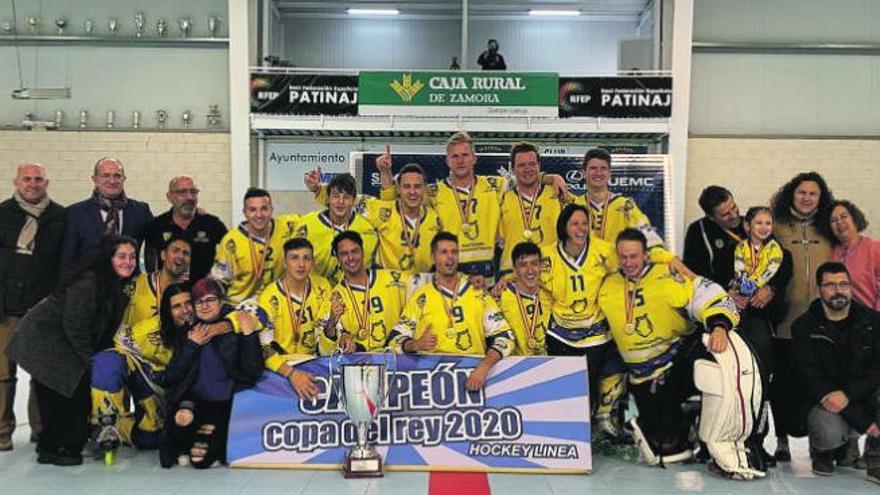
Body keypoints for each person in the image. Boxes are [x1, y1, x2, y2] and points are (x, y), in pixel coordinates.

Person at [598, 229, 763, 478]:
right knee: (665, 446)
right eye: (623, 257)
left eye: (634, 256)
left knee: (712, 369)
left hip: (675, 363)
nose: (628, 262)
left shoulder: (670, 274)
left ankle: (714, 428)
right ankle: (684, 418)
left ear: (647, 255)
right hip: (640, 376)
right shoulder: (607, 284)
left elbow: (714, 294)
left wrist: (719, 326)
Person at [6, 235, 138, 466]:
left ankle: (66, 442)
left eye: (132, 257)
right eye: (121, 256)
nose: (128, 261)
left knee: (71, 392)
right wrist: (91, 360)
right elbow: (75, 326)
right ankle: (53, 448)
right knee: (63, 391)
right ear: (108, 258)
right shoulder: (89, 282)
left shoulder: (113, 284)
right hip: (44, 340)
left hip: (62, 340)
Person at [378, 132, 566, 289]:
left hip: (488, 279)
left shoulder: (495, 185)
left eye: (465, 155)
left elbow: (526, 177)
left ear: (474, 158)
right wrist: (385, 173)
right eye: (455, 156)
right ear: (447, 161)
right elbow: (395, 200)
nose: (460, 160)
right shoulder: (435, 192)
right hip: (451, 276)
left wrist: (552, 178)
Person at [389, 232, 514, 390]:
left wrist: (484, 367)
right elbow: (393, 341)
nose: (450, 257)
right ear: (434, 257)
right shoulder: (421, 296)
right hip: (430, 383)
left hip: (473, 379)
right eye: (444, 252)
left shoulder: (477, 293)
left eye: (454, 252)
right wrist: (414, 344)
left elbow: (505, 337)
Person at [159, 278, 263, 469]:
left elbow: (253, 371)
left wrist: (249, 337)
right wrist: (192, 345)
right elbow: (173, 375)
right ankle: (188, 443)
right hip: (196, 399)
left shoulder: (236, 327)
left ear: (221, 302)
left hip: (225, 403)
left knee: (200, 461)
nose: (205, 306)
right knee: (182, 416)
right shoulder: (189, 331)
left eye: (210, 300)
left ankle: (206, 439)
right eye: (199, 302)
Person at [790, 262, 880, 482]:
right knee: (828, 431)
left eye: (843, 284)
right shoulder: (803, 327)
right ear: (819, 289)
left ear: (851, 287)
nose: (838, 290)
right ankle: (823, 451)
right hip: (825, 399)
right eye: (830, 285)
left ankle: (875, 455)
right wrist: (864, 422)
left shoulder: (873, 322)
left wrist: (848, 397)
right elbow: (810, 376)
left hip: (859, 395)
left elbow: (877, 369)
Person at [539, 203, 625, 429]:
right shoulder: (545, 254)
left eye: (585, 223)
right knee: (567, 390)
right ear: (563, 227)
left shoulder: (605, 251)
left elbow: (630, 269)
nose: (581, 228)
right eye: (575, 223)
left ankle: (599, 428)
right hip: (559, 334)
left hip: (595, 333)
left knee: (591, 386)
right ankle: (570, 433)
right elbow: (527, 280)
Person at [770, 171, 835, 461]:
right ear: (791, 194)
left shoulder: (829, 228)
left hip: (823, 323)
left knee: (819, 383)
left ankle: (819, 443)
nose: (807, 198)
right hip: (785, 321)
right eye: (801, 192)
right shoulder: (776, 225)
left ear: (821, 198)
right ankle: (781, 439)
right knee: (783, 383)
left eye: (813, 193)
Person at [0, 162, 64, 450]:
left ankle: (42, 429)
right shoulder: (2, 214)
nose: (33, 183)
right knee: (3, 376)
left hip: (43, 310)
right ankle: (2, 431)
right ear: (16, 182)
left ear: (46, 183)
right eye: (27, 179)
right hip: (7, 310)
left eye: (38, 179)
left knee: (41, 375)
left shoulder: (60, 217)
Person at [90, 283, 193, 453]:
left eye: (188, 303)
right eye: (177, 306)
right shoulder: (151, 328)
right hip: (155, 381)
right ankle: (106, 422)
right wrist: (147, 370)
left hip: (183, 395)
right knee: (107, 361)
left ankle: (123, 427)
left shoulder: (206, 324)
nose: (185, 310)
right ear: (167, 311)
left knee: (153, 439)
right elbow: (118, 346)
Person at [727, 206, 792, 466]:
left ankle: (757, 440)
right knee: (736, 380)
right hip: (737, 319)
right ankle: (732, 439)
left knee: (761, 382)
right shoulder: (734, 252)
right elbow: (723, 280)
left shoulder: (781, 254)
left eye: (768, 223)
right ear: (747, 226)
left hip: (764, 322)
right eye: (759, 223)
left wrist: (768, 290)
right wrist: (732, 292)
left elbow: (781, 284)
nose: (764, 227)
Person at [307, 158, 442, 274]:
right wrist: (317, 190)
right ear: (399, 189)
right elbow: (345, 202)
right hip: (388, 283)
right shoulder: (380, 210)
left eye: (417, 186)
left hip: (425, 282)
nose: (412, 192)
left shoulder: (436, 218)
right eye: (407, 186)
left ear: (425, 189)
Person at [575, 148, 692, 278]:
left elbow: (650, 239)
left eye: (603, 168)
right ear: (583, 173)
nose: (598, 172)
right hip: (583, 276)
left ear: (609, 174)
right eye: (593, 168)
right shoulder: (573, 206)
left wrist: (670, 258)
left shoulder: (626, 206)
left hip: (616, 277)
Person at [255, 238, 332, 401]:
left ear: (313, 262)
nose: (301, 264)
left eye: (306, 258)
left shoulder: (323, 286)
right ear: (284, 262)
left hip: (316, 363)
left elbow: (328, 332)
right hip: (282, 368)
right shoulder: (269, 297)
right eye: (294, 258)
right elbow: (263, 347)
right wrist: (292, 374)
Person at [60, 157, 153, 284]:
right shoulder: (74, 213)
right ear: (95, 180)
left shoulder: (141, 211)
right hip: (87, 290)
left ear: (123, 179)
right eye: (105, 176)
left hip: (129, 288)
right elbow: (67, 258)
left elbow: (153, 248)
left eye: (117, 176)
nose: (112, 180)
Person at [317, 231, 410, 354]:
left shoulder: (396, 280)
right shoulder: (334, 298)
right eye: (344, 254)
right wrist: (332, 323)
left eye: (355, 251)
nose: (351, 258)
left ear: (363, 252)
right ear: (337, 258)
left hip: (399, 362)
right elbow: (323, 352)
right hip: (360, 366)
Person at [212, 187, 299, 304]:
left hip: (276, 302)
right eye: (252, 210)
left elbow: (321, 218)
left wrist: (317, 190)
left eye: (264, 209)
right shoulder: (231, 242)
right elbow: (219, 281)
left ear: (271, 210)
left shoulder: (287, 226)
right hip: (239, 304)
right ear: (245, 212)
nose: (259, 215)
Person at [293, 173, 378, 284]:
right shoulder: (307, 225)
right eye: (336, 196)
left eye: (346, 197)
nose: (340, 202)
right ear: (328, 198)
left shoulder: (367, 228)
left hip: (355, 294)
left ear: (353, 201)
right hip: (315, 294)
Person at [497, 142, 564, 277]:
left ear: (539, 166)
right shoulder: (502, 199)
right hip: (511, 275)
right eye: (521, 165)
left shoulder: (558, 194)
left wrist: (554, 178)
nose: (527, 169)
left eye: (532, 164)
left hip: (549, 273)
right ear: (513, 169)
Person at [144, 176, 227, 282]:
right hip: (169, 293)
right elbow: (150, 261)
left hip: (203, 294)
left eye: (193, 192)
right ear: (170, 197)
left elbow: (230, 254)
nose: (189, 197)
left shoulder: (212, 223)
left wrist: (219, 280)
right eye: (182, 192)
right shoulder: (156, 226)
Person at [683, 185, 746, 286]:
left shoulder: (751, 223)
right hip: (720, 293)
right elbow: (695, 273)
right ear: (711, 217)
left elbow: (777, 257)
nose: (734, 216)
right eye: (726, 214)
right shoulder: (698, 231)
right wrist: (726, 291)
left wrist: (770, 288)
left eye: (734, 207)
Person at [125, 235, 192, 328]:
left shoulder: (193, 294)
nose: (180, 256)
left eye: (186, 253)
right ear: (163, 255)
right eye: (175, 251)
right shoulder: (134, 284)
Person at [497, 242, 551, 356]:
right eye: (523, 265)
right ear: (515, 269)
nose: (530, 270)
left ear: (541, 266)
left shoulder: (550, 294)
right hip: (512, 366)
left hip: (549, 365)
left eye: (534, 264)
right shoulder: (501, 297)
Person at [827, 200, 880, 311]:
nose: (839, 222)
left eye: (844, 216)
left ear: (855, 219)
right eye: (833, 220)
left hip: (872, 319)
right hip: (842, 321)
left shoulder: (874, 248)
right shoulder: (833, 252)